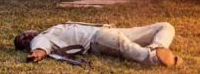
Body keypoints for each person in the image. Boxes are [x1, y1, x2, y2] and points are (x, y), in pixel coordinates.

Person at [15, 21, 180, 67]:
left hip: (107, 30)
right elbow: (40, 48)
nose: (24, 34)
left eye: (22, 33)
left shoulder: (49, 31)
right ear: (26, 43)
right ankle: (153, 58)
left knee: (165, 26)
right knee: (125, 46)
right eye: (22, 38)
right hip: (97, 38)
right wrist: (36, 54)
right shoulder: (41, 38)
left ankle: (157, 47)